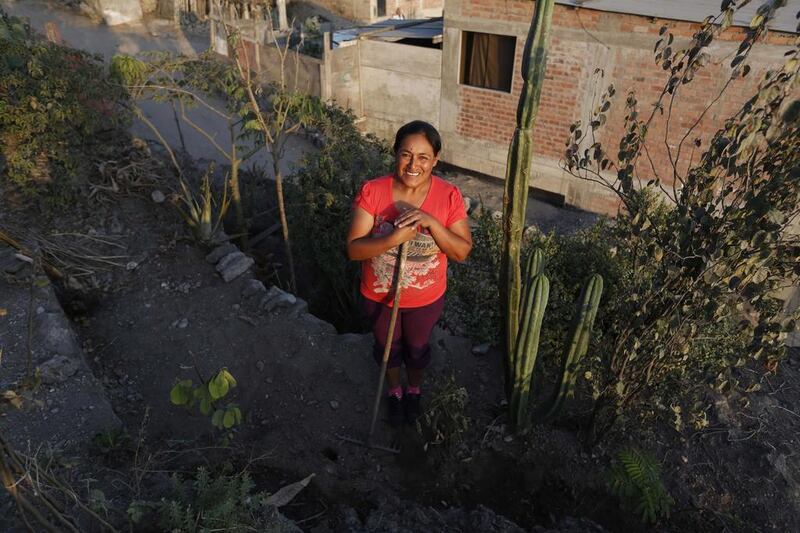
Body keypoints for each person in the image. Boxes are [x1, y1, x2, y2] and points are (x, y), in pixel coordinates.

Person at [346, 121, 473, 426]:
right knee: (388, 349)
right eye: (406, 155)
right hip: (378, 294)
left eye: (423, 157)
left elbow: (461, 251)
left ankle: (413, 389)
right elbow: (353, 250)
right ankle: (395, 393)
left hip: (425, 298)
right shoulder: (373, 192)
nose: (414, 164)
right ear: (395, 154)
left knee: (417, 349)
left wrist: (433, 223)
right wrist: (392, 239)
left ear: (435, 160)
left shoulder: (448, 196)